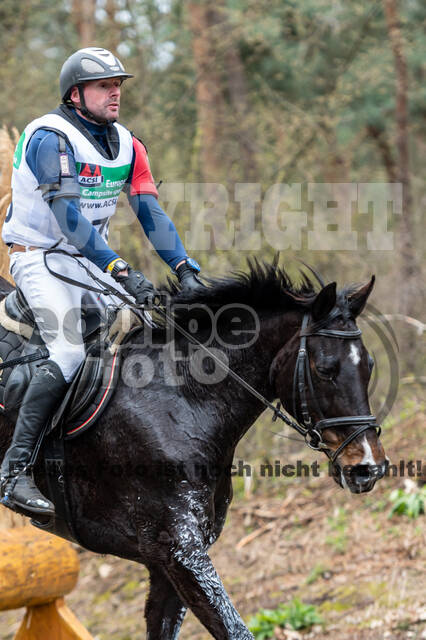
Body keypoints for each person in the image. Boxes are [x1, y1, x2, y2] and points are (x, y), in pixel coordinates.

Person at [0, 47, 201, 516]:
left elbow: (150, 212)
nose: (115, 93)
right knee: (69, 350)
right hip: (39, 257)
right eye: (104, 86)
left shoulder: (130, 144)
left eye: (118, 86)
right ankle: (14, 470)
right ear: (76, 94)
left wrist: (185, 269)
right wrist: (122, 271)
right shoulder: (51, 137)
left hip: (89, 260)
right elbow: (68, 219)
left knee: (140, 336)